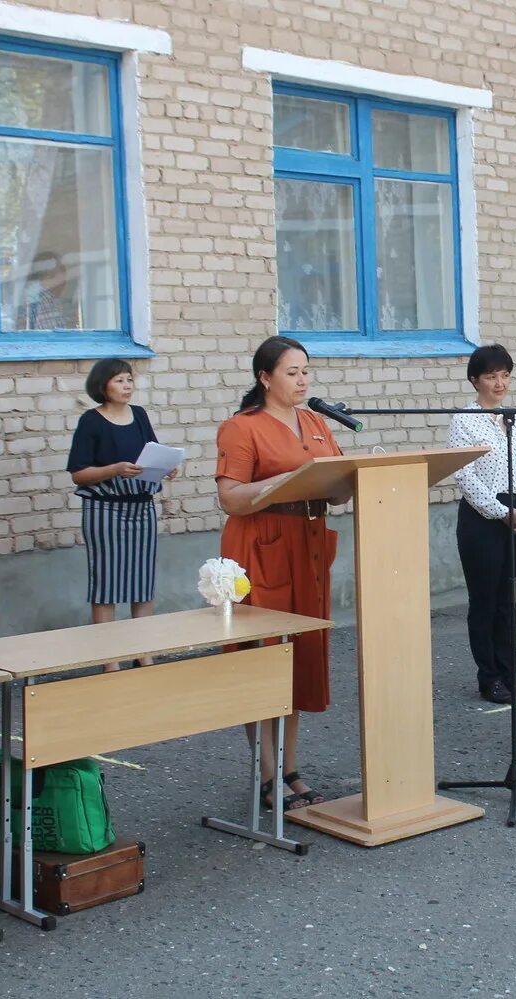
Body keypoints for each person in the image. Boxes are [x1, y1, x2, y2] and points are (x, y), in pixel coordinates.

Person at [215, 336, 348, 810]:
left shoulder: (314, 420)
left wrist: (347, 480)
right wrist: (285, 482)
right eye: (292, 372)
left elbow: (337, 486)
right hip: (262, 546)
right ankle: (266, 773)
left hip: (308, 545)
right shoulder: (241, 427)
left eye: (306, 371)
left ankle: (291, 766)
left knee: (300, 656)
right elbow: (230, 497)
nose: (302, 380)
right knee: (264, 655)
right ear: (264, 378)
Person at [67, 359, 174, 670]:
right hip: (105, 508)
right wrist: (114, 469)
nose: (127, 386)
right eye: (119, 381)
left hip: (141, 505)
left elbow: (150, 453)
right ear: (103, 386)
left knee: (142, 580)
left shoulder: (139, 415)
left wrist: (164, 467)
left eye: (129, 380)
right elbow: (79, 473)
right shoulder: (91, 421)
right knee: (107, 582)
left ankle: (143, 651)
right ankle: (109, 658)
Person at [445, 345, 516, 704]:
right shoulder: (464, 421)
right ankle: (490, 677)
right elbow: (464, 475)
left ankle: (510, 673)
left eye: (505, 375)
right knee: (485, 598)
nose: (500, 383)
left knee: (508, 598)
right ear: (474, 380)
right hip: (482, 515)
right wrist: (500, 511)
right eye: (491, 376)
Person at [25, 251, 80, 330]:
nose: (66, 278)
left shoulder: (31, 297)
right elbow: (56, 338)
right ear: (48, 275)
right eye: (63, 270)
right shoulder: (45, 300)